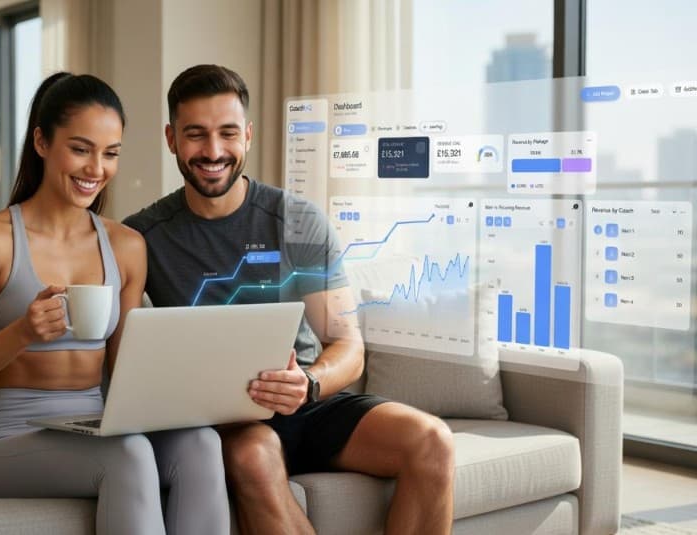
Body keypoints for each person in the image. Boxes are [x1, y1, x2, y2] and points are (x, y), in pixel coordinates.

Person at [123, 64, 456, 535]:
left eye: (228, 133)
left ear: (249, 136)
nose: (213, 151)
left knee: (432, 441)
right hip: (228, 421)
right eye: (195, 134)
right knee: (253, 456)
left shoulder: (296, 220)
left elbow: (347, 344)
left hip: (309, 402)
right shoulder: (143, 236)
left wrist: (311, 383)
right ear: (171, 138)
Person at [0, 72, 229, 535]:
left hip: (95, 424)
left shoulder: (126, 246)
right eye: (81, 148)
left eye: (110, 153)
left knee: (202, 444)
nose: (97, 169)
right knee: (127, 454)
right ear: (42, 142)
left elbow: (130, 369)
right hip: (7, 436)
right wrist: (22, 333)